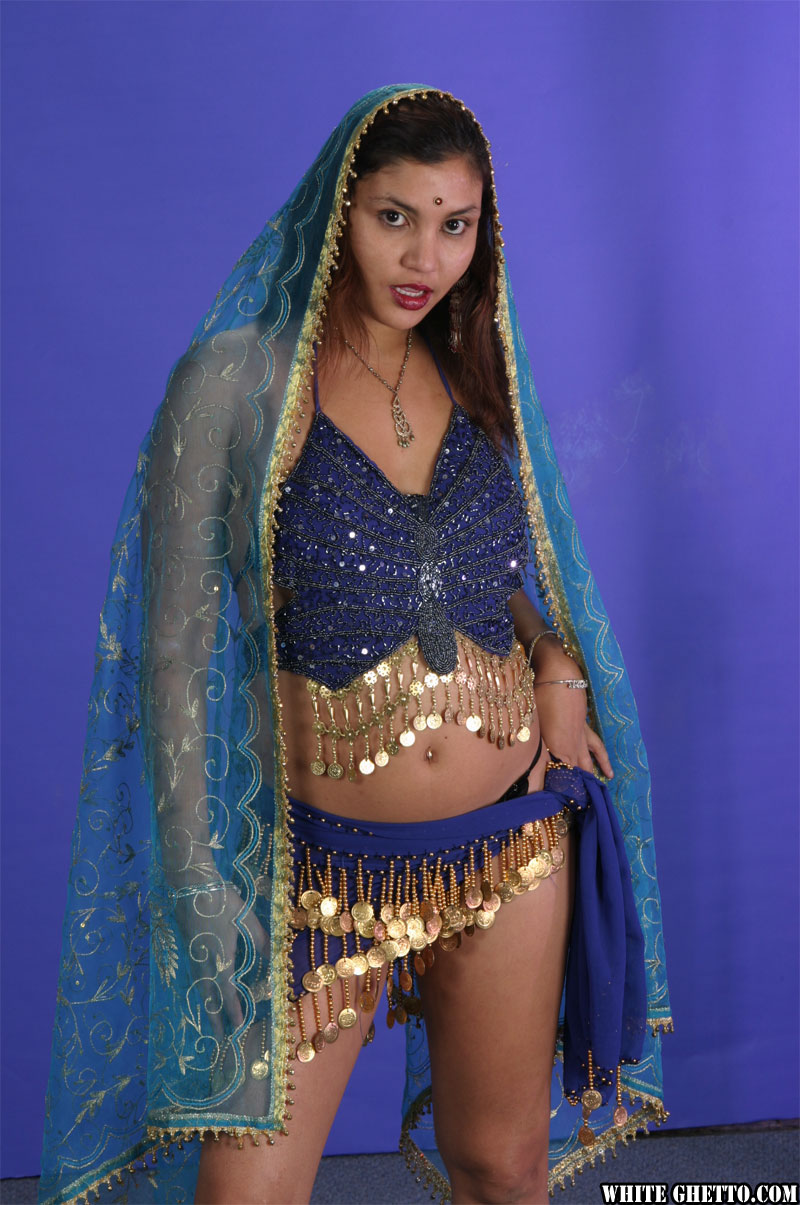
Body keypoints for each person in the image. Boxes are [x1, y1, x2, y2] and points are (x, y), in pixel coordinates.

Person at [38, 86, 671, 1205]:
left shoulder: (477, 367)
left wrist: (553, 661)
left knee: (502, 1165)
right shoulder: (235, 382)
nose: (426, 257)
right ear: (340, 209)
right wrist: (196, 875)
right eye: (395, 217)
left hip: (507, 840)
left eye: (455, 224)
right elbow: (174, 652)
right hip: (317, 866)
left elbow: (490, 570)